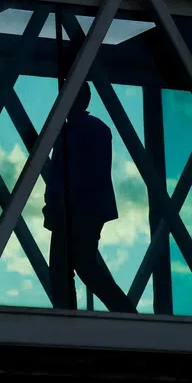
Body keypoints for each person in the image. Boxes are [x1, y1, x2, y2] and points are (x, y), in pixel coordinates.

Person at [41, 85, 137, 313]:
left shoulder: (84, 130)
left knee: (73, 265)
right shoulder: (79, 130)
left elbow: (85, 172)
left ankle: (73, 316)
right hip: (76, 208)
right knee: (73, 265)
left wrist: (57, 202)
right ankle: (121, 313)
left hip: (79, 209)